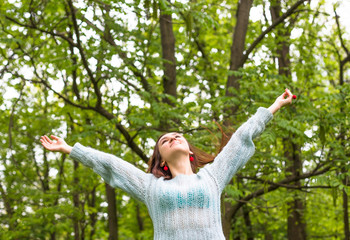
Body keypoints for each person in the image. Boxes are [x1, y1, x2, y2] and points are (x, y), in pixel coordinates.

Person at [40, 88, 295, 239]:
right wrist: (71, 149)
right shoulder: (150, 186)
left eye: (177, 136)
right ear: (160, 160)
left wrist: (274, 106)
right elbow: (112, 164)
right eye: (165, 140)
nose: (173, 137)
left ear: (190, 153)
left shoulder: (212, 177)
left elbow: (241, 138)